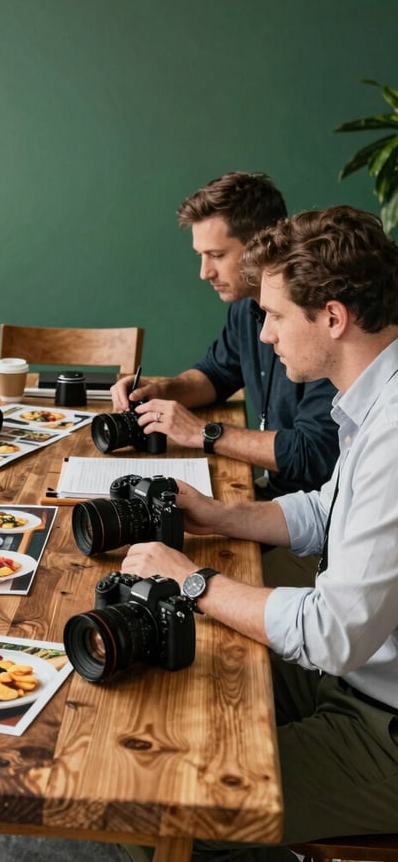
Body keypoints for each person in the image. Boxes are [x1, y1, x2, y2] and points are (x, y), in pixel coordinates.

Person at [122, 206, 398, 860]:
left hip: (382, 723)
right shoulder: (372, 396)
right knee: (178, 660)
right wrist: (220, 515)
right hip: (361, 674)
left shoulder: (392, 432)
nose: (264, 333)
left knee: (160, 815)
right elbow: (326, 509)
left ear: (333, 317)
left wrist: (195, 580)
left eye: (274, 315)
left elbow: (332, 631)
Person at [110, 172, 338, 498]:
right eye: (201, 256)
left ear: (261, 246)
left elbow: (313, 453)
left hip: (314, 509)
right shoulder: (245, 308)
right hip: (275, 493)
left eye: (216, 255)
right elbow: (217, 373)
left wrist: (203, 433)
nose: (204, 273)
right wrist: (161, 391)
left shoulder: (314, 323)